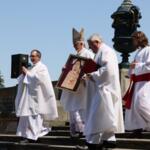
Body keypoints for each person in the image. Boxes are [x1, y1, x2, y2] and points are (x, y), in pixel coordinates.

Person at [83, 34, 124, 150]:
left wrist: (93, 75)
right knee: (105, 116)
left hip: (105, 89)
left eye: (91, 46)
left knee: (97, 115)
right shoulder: (100, 52)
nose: (90, 48)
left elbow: (108, 69)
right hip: (101, 88)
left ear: (96, 42)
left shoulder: (106, 51)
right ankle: (109, 140)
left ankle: (93, 142)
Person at [15, 49, 58, 142]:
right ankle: (27, 135)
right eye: (31, 56)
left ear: (39, 57)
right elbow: (25, 79)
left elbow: (38, 80)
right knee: (27, 116)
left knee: (34, 117)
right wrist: (24, 74)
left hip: (37, 97)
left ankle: (32, 137)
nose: (32, 58)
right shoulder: (31, 68)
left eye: (34, 56)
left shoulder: (42, 67)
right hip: (28, 96)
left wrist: (27, 73)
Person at [60, 28, 94, 138]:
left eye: (76, 44)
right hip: (73, 86)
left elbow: (93, 68)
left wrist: (85, 76)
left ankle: (83, 131)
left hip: (83, 86)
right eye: (74, 44)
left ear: (82, 43)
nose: (75, 46)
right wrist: (65, 70)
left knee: (81, 108)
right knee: (73, 108)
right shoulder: (74, 56)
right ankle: (75, 131)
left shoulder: (88, 54)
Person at [124, 31, 150, 136]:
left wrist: (136, 66)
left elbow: (148, 66)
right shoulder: (139, 52)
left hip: (145, 82)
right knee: (134, 106)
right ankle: (138, 127)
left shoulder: (148, 50)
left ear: (139, 39)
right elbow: (135, 67)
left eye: (134, 39)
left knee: (141, 104)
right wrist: (131, 72)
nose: (133, 42)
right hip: (137, 82)